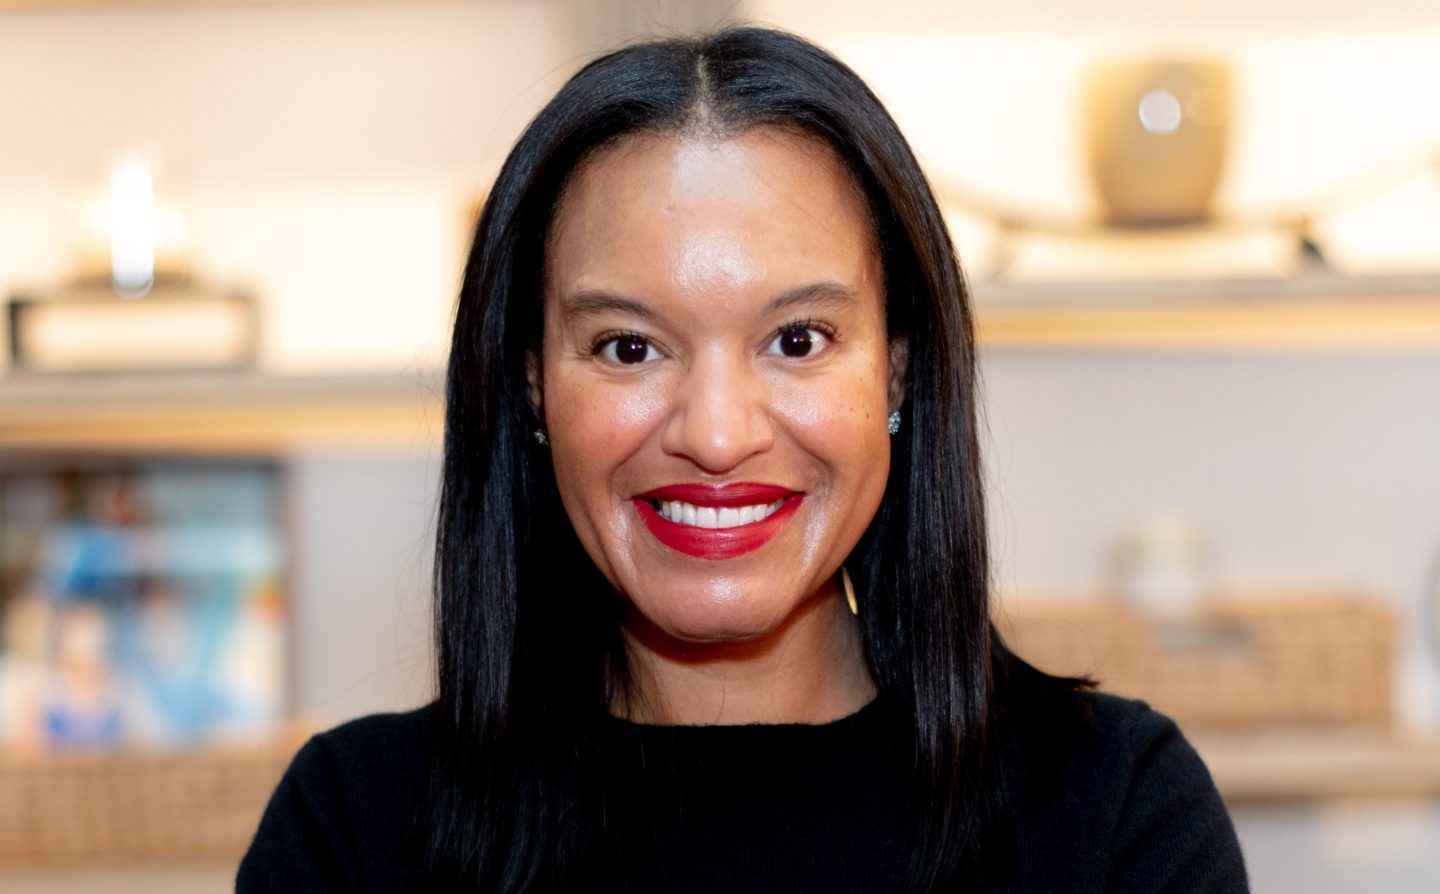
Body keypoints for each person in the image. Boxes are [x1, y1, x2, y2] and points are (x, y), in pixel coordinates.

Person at [238, 26, 1248, 893]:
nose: (717, 436)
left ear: (897, 372)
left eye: (798, 340)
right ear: (532, 386)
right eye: (629, 347)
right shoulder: (353, 835)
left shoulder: (1117, 815)